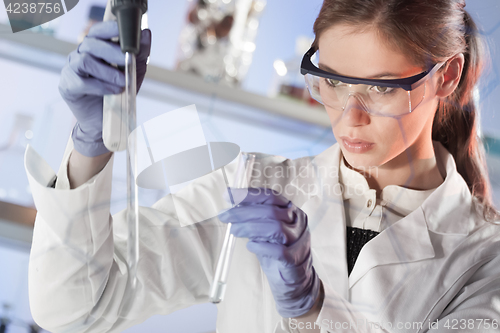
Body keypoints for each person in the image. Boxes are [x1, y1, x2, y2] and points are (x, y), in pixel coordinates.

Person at [24, 0, 500, 332]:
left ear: (448, 76)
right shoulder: (252, 188)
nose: (349, 117)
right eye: (331, 81)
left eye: (380, 89)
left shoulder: (486, 260)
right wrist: (91, 145)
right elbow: (72, 309)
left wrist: (312, 308)